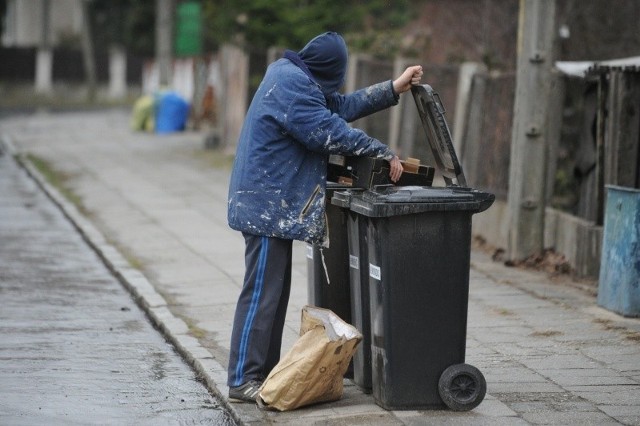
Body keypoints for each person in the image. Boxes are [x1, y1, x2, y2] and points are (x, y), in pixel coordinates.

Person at [226, 31, 423, 403]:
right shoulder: (292, 88)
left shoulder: (293, 74)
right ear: (329, 69)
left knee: (272, 293)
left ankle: (261, 373)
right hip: (266, 206)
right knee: (261, 295)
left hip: (270, 204)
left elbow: (338, 107)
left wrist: (392, 89)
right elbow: (327, 130)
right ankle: (241, 378)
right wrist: (380, 150)